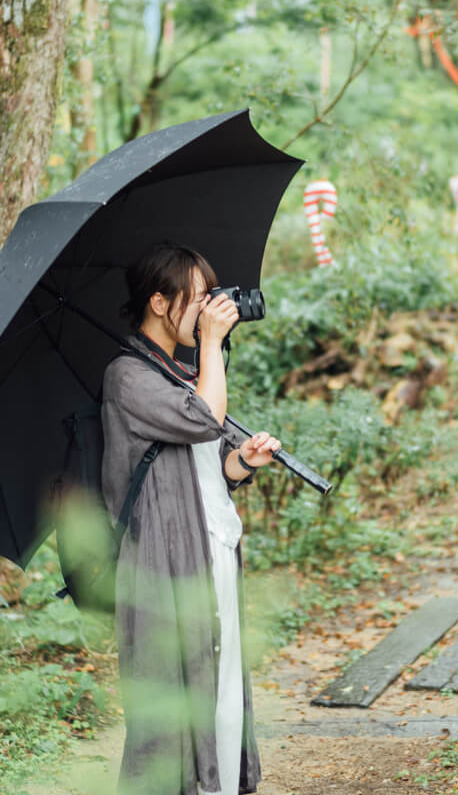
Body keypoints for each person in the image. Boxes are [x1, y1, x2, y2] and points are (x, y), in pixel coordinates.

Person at [101, 242, 280, 795]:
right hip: (165, 560)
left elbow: (199, 468)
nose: (210, 310)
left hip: (210, 548)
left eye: (212, 298)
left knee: (220, 687)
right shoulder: (126, 376)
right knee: (173, 699)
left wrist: (239, 463)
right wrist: (210, 344)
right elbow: (204, 418)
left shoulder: (177, 370)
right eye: (199, 299)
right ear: (159, 302)